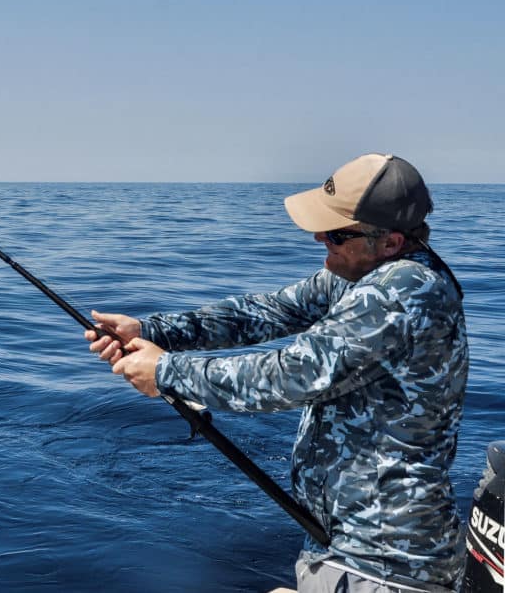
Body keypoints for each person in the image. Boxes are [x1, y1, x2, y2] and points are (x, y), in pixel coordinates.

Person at [86, 154, 468, 592]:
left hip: (383, 562)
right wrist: (153, 330)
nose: (319, 238)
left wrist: (167, 371)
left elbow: (292, 375)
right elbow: (266, 312)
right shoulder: (360, 274)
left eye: (337, 233)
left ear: (391, 243)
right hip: (347, 544)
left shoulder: (401, 294)